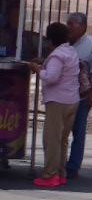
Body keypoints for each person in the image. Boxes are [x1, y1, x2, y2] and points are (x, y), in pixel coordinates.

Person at [26, 22, 80, 189]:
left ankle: (50, 175)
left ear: (51, 41)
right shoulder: (70, 51)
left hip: (58, 101)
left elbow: (51, 77)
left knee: (52, 140)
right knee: (63, 140)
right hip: (72, 100)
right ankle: (60, 174)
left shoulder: (57, 55)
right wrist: (45, 61)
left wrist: (37, 69)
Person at [65, 11, 92, 179]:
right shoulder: (64, 42)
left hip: (81, 95)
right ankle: (58, 163)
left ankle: (73, 166)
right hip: (64, 94)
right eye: (68, 24)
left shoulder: (91, 44)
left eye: (73, 24)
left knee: (78, 132)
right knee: (61, 132)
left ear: (83, 27)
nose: (69, 27)